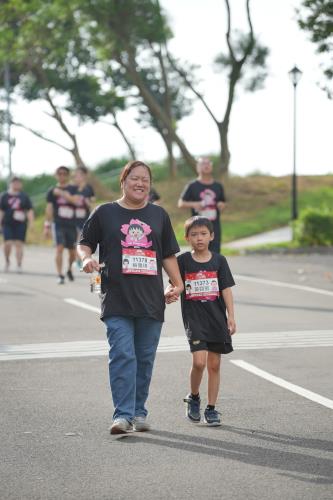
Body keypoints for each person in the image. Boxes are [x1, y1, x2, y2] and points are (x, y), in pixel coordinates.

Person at [77, 160, 183, 435]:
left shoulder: (159, 215)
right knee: (123, 354)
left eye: (145, 180)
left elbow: (168, 254)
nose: (140, 183)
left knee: (144, 358)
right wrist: (87, 258)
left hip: (151, 299)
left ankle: (139, 411)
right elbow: (84, 242)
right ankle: (122, 416)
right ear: (123, 181)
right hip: (116, 297)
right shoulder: (105, 213)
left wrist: (178, 283)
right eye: (134, 178)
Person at [165, 216, 236, 426]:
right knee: (199, 362)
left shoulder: (219, 261)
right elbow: (173, 284)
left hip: (217, 319)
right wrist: (168, 292)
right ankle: (194, 397)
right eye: (194, 235)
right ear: (187, 238)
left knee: (214, 365)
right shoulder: (183, 261)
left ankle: (212, 408)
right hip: (194, 319)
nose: (199, 238)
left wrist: (231, 316)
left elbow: (226, 289)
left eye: (203, 234)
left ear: (212, 236)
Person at [178, 157, 226, 253]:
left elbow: (222, 202)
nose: (206, 165)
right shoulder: (192, 186)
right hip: (197, 228)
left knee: (215, 255)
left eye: (208, 163)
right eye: (203, 163)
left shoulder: (218, 186)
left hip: (214, 227)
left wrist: (222, 204)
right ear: (198, 168)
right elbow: (181, 203)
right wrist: (195, 204)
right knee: (197, 255)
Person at [44, 166, 78, 284]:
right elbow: (49, 209)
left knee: (72, 252)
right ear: (56, 175)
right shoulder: (51, 191)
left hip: (72, 224)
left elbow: (76, 201)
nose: (62, 176)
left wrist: (62, 193)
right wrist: (47, 226)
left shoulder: (74, 188)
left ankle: (69, 269)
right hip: (58, 223)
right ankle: (60, 275)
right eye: (59, 173)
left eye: (64, 173)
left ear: (68, 175)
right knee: (59, 248)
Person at [0, 176, 34, 273]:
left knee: (19, 244)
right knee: (8, 243)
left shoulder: (24, 196)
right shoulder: (4, 196)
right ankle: (7, 261)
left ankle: (19, 264)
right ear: (10, 184)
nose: (17, 185)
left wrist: (31, 223)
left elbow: (29, 210)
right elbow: (1, 211)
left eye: (19, 183)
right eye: (14, 183)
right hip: (7, 223)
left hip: (20, 224)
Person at [73, 166, 95, 233]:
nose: (77, 177)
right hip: (74, 218)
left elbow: (92, 199)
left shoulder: (88, 187)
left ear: (85, 175)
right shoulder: (73, 188)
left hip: (86, 217)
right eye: (75, 175)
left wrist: (89, 201)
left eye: (79, 175)